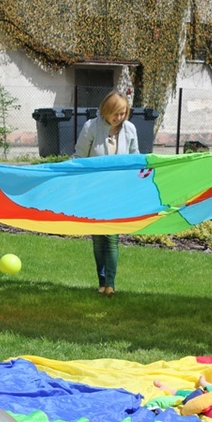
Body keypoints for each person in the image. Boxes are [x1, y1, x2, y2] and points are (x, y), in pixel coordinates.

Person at [73, 90, 139, 297]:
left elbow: (136, 158)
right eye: (115, 113)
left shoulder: (129, 129)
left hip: (117, 192)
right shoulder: (91, 127)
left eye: (122, 113)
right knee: (98, 238)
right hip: (94, 191)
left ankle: (110, 284)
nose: (118, 118)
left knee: (111, 237)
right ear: (106, 110)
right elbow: (79, 157)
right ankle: (101, 283)